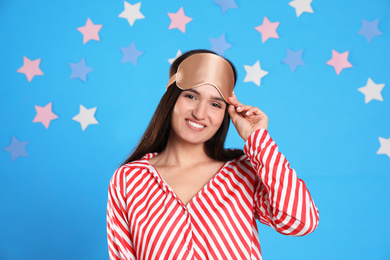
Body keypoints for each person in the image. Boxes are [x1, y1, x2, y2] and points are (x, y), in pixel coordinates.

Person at [106, 49, 319, 260]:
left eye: (215, 104)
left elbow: (301, 221)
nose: (200, 113)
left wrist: (258, 138)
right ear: (171, 101)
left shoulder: (243, 170)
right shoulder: (129, 179)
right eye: (191, 96)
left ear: (226, 113)